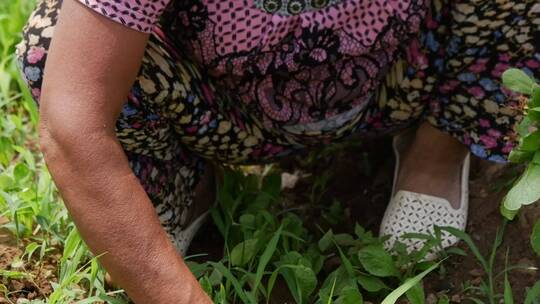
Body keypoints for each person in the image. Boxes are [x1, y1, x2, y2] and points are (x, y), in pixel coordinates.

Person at [16, 0, 539, 302]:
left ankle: (437, 148)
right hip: (225, 112)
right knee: (53, 46)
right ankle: (182, 184)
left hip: (401, 77)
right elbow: (74, 119)